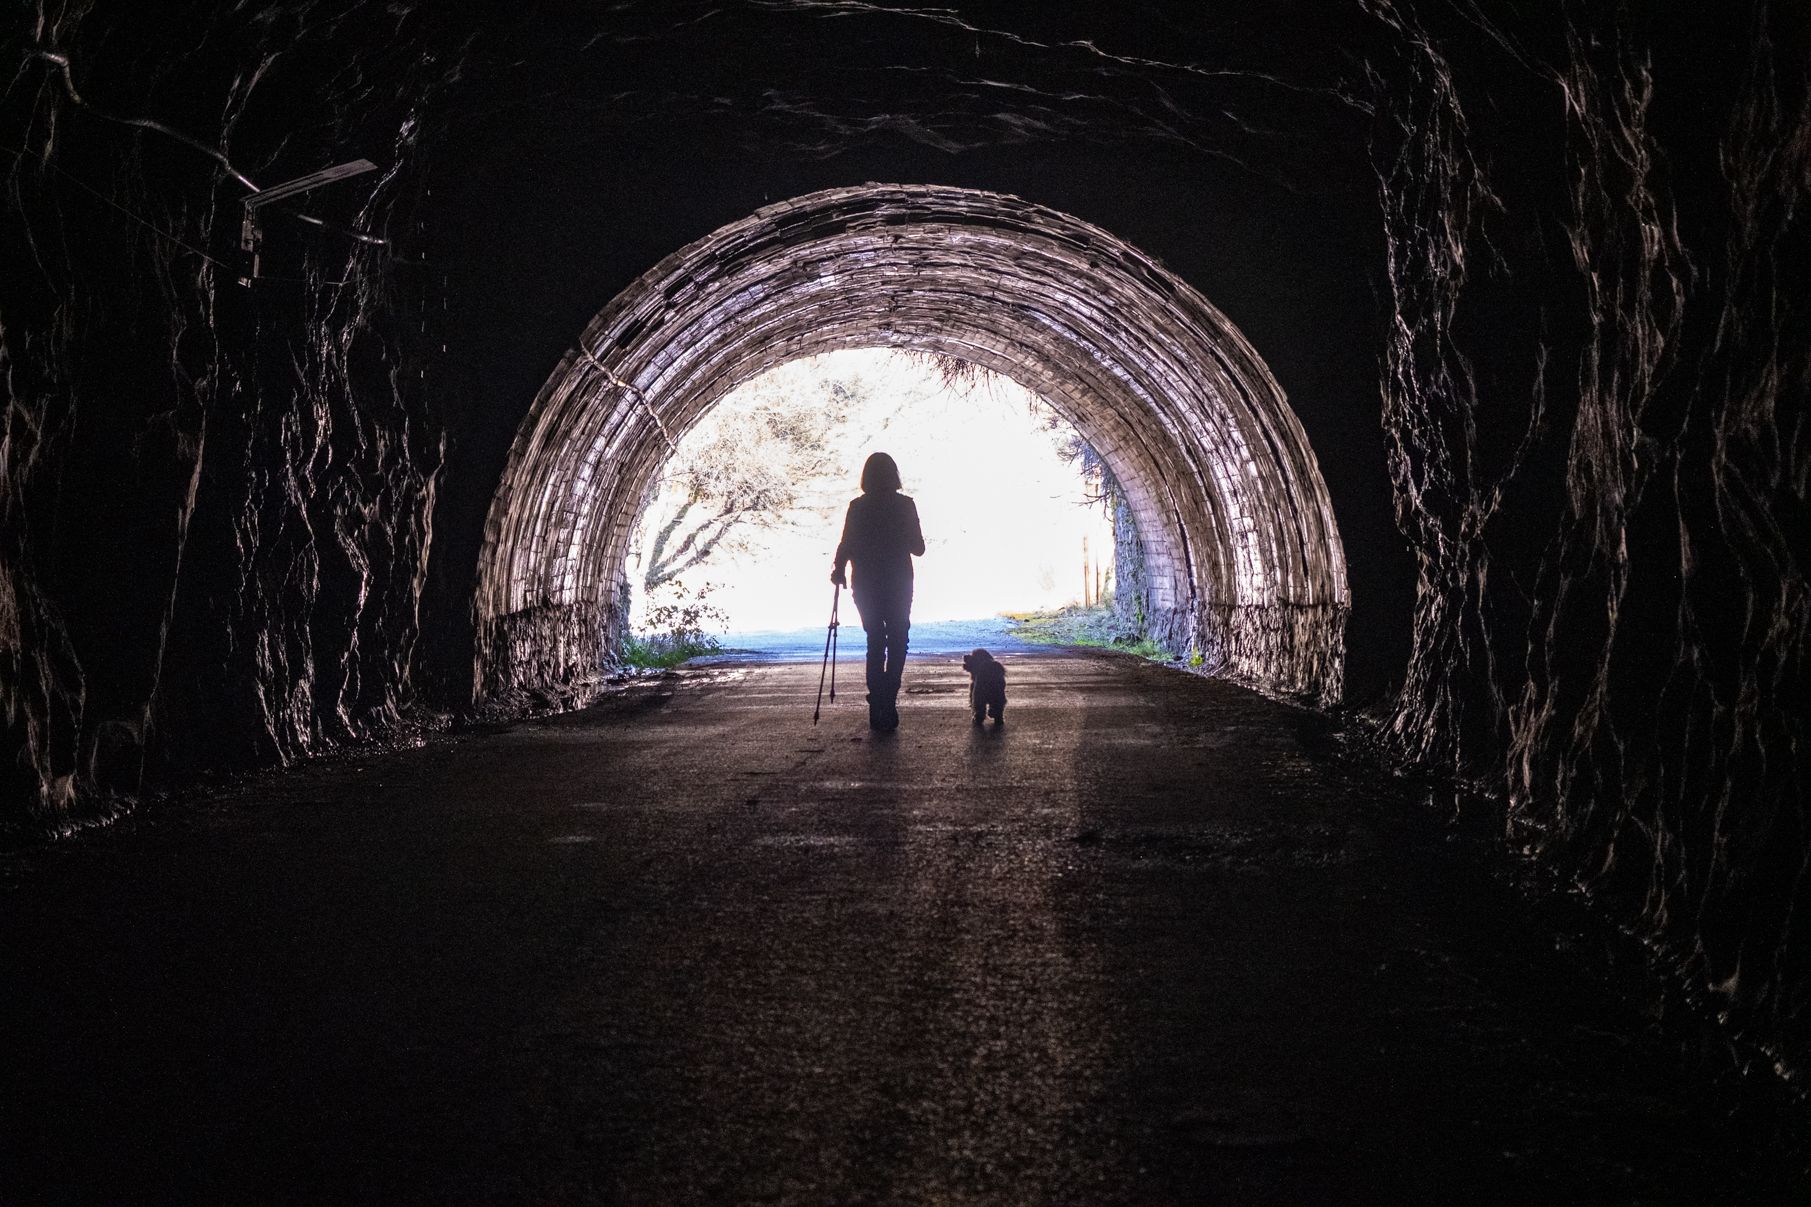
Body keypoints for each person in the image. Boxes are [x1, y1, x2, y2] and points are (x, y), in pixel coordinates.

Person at [831, 452, 925, 731]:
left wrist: (838, 571)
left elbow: (845, 544)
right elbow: (918, 549)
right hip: (898, 581)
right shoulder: (905, 505)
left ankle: (877, 701)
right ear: (894, 475)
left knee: (875, 639)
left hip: (866, 582)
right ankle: (889, 697)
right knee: (898, 638)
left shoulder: (857, 507)